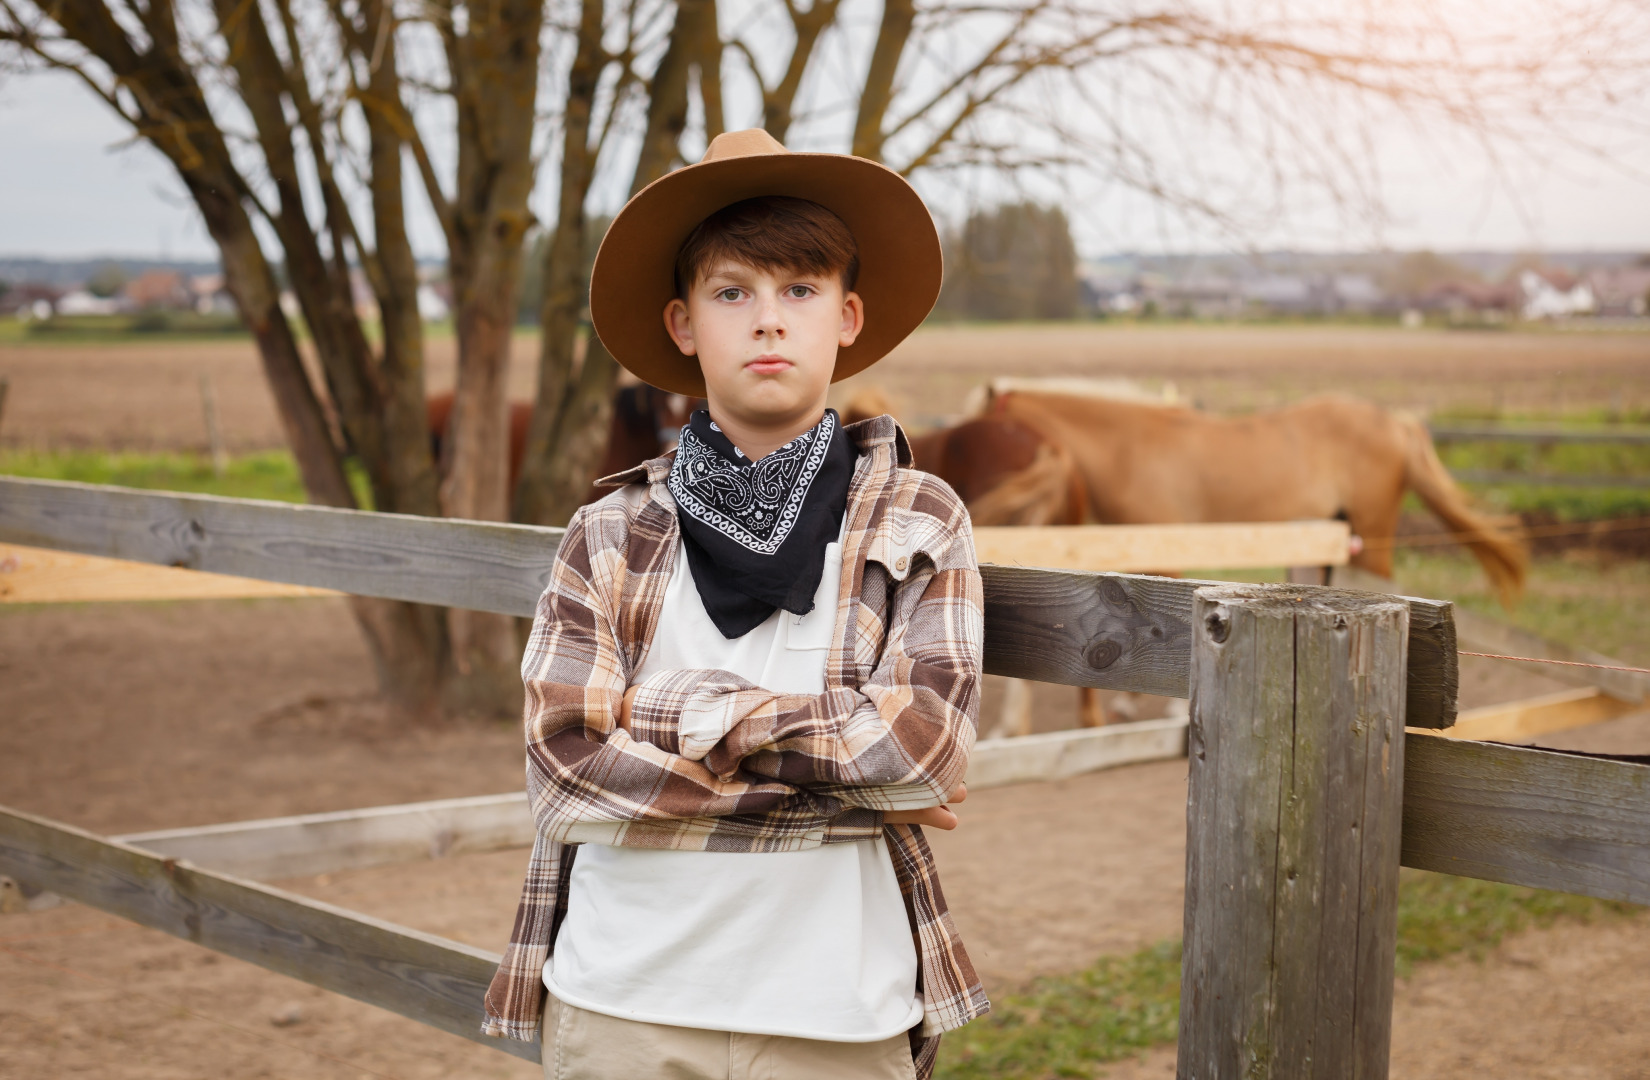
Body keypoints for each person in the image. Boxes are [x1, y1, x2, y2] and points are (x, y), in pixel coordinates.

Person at [482, 128, 987, 1080]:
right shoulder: (609, 531)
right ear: (684, 325)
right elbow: (564, 773)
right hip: (624, 998)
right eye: (732, 293)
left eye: (800, 290)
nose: (768, 321)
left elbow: (922, 754)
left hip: (837, 1009)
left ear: (847, 316)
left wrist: (667, 711)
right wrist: (847, 789)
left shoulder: (920, 518)